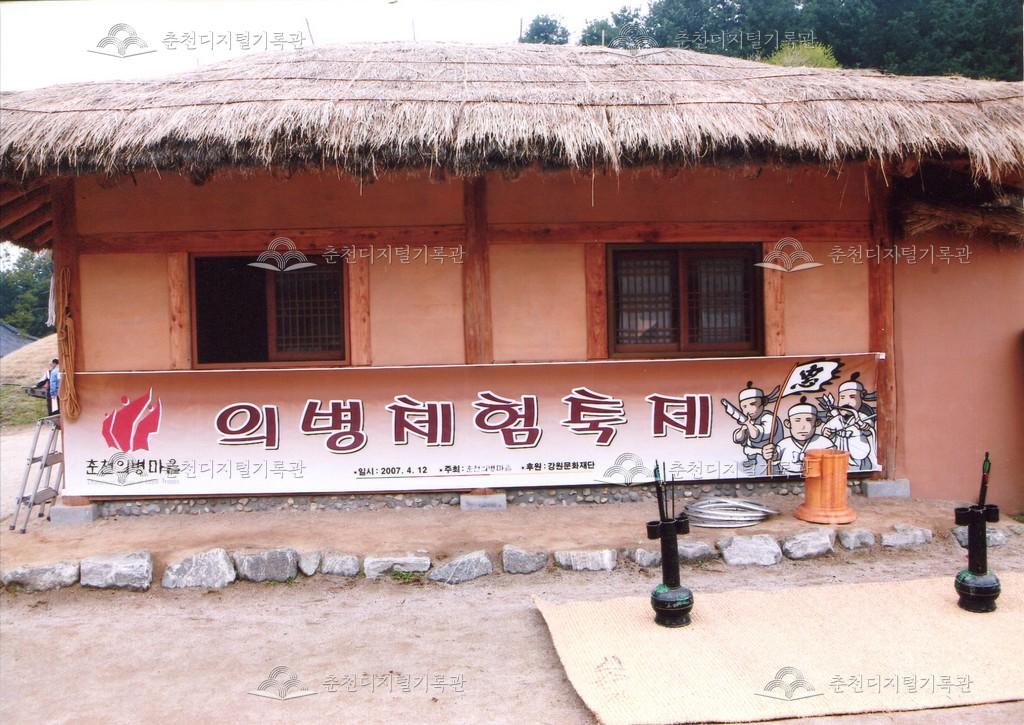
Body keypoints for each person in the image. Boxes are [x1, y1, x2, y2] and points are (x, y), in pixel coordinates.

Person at [760, 397, 835, 474]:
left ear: (817, 423)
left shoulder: (825, 444)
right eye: (797, 420)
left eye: (808, 420)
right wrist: (769, 453)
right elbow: (774, 456)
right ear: (788, 424)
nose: (802, 426)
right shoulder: (783, 444)